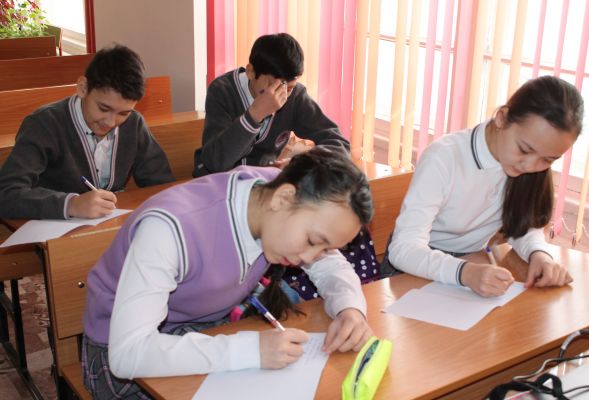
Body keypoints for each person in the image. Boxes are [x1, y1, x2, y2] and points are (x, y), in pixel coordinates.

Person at [82, 147, 374, 399]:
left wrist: (349, 308)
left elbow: (330, 264)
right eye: (312, 241)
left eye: (325, 247)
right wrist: (248, 351)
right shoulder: (169, 228)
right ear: (283, 199)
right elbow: (129, 354)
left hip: (207, 330)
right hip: (121, 350)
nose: (310, 257)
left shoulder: (276, 197)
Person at [383, 76, 584, 297]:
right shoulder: (445, 157)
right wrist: (464, 272)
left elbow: (522, 226)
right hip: (416, 268)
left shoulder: (522, 165)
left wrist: (539, 255)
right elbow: (404, 249)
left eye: (548, 159)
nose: (530, 166)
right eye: (525, 150)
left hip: (471, 265)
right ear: (502, 118)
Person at [0, 44, 174, 220]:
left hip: (107, 225)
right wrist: (71, 204)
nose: (111, 122)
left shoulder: (133, 124)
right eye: (103, 108)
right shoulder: (44, 124)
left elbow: (162, 185)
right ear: (83, 88)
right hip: (53, 229)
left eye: (123, 113)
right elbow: (6, 193)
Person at [192, 32, 349, 177]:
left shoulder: (295, 96)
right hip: (218, 181)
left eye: (289, 87)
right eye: (273, 85)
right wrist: (255, 115)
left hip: (263, 183)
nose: (281, 94)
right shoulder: (222, 90)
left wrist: (299, 164)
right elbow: (215, 163)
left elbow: (338, 143)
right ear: (251, 72)